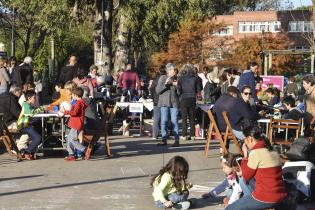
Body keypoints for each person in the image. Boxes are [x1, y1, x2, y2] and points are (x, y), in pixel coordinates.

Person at [226, 125, 287, 210]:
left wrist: (245, 155)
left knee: (230, 208)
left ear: (250, 138)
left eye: (244, 140)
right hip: (280, 194)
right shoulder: (273, 150)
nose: (244, 143)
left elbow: (246, 176)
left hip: (266, 197)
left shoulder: (256, 153)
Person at [60, 87, 88, 161]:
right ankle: (71, 154)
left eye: (72, 95)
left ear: (75, 95)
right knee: (69, 138)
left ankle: (84, 150)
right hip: (76, 123)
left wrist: (65, 111)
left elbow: (74, 113)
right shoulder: (81, 102)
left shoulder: (78, 103)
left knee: (72, 139)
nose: (71, 96)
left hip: (76, 124)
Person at [156, 63, 180, 147]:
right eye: (173, 70)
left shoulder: (177, 79)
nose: (175, 71)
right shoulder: (162, 78)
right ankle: (164, 139)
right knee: (164, 121)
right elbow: (157, 90)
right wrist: (165, 85)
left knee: (174, 121)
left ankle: (176, 140)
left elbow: (180, 93)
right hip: (164, 103)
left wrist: (177, 86)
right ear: (169, 70)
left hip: (174, 103)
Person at [177, 64, 201, 141]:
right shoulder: (195, 78)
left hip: (183, 98)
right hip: (192, 98)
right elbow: (198, 89)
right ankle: (192, 135)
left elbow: (179, 90)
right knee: (192, 118)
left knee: (184, 118)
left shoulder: (180, 79)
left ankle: (184, 135)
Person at [17, 90, 42, 160]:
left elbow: (32, 112)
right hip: (23, 125)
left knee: (38, 133)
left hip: (27, 125)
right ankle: (27, 152)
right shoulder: (25, 104)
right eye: (34, 98)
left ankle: (31, 152)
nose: (35, 99)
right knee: (37, 137)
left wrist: (41, 108)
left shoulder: (29, 105)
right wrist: (40, 109)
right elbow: (30, 113)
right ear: (29, 98)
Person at [149, 65, 166, 140]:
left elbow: (151, 89)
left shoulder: (155, 80)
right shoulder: (166, 80)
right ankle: (164, 134)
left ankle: (154, 135)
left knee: (156, 118)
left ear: (159, 71)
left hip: (156, 100)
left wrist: (153, 97)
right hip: (164, 100)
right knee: (164, 118)